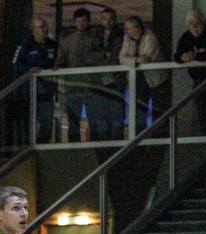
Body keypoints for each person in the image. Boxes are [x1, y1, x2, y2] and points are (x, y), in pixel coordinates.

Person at [174, 10, 206, 136]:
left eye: (197, 24)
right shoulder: (186, 37)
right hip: (198, 78)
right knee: (201, 107)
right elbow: (177, 55)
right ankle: (205, 135)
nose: (195, 27)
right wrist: (183, 57)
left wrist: (196, 56)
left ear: (203, 22)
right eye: (191, 24)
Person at [54, 8, 102, 142]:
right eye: (78, 21)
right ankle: (81, 146)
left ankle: (90, 145)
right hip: (76, 87)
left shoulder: (95, 39)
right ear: (75, 22)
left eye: (83, 21)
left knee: (92, 121)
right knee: (79, 121)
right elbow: (60, 61)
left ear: (88, 21)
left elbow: (100, 59)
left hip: (88, 86)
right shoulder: (69, 41)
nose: (81, 24)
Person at [12, 17, 58, 144]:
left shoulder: (52, 45)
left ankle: (42, 145)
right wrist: (29, 69)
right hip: (29, 93)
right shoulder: (25, 45)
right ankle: (28, 147)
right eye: (41, 27)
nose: (45, 29)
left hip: (46, 92)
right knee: (29, 124)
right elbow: (15, 64)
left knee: (47, 123)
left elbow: (58, 61)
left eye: (45, 26)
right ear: (33, 30)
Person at [119, 16, 168, 131]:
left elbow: (146, 60)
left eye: (128, 28)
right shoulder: (127, 38)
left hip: (156, 81)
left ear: (136, 28)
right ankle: (139, 142)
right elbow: (121, 58)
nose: (126, 31)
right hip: (138, 82)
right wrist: (136, 60)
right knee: (138, 113)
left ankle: (158, 144)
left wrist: (131, 60)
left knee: (158, 113)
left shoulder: (151, 38)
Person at [92, 8, 124, 140]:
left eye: (110, 18)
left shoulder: (121, 35)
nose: (108, 21)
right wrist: (105, 54)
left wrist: (105, 56)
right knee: (101, 120)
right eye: (105, 18)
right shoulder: (94, 34)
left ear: (115, 20)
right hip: (99, 83)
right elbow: (90, 56)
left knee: (117, 119)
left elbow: (117, 57)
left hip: (116, 83)